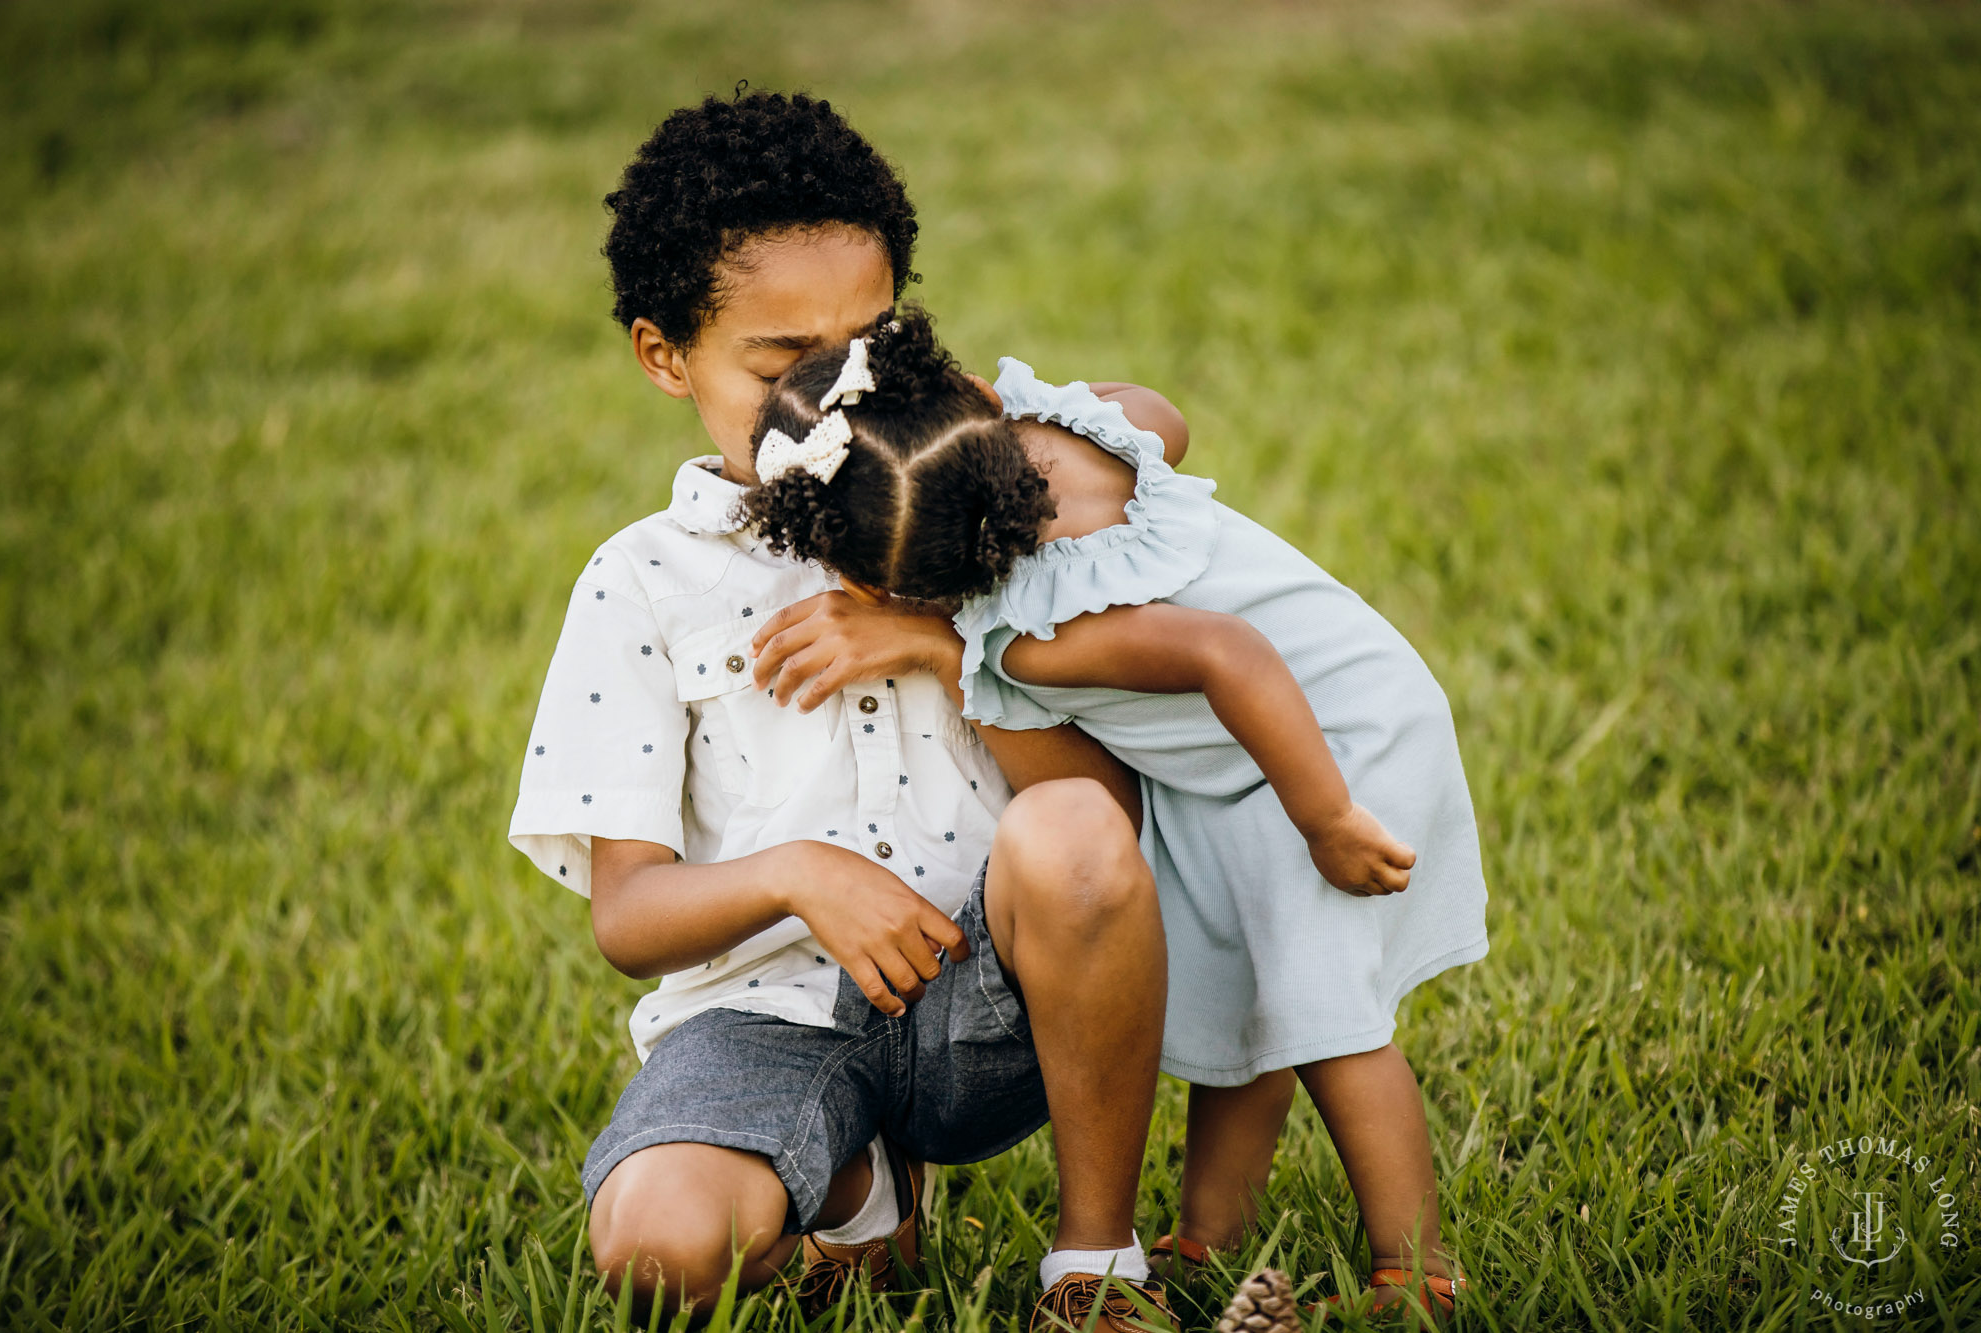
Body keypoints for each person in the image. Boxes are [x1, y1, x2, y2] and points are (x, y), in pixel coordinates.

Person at [508, 90, 1185, 1333]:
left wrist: (945, 647)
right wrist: (797, 874)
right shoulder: (640, 581)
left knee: (1075, 833)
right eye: (775, 362)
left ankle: (1095, 1267)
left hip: (992, 1002)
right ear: (664, 356)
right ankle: (858, 1191)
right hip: (760, 1014)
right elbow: (628, 913)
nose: (829, 395)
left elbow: (1107, 818)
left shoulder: (970, 492)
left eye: (869, 341)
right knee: (656, 1247)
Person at [741, 308, 1491, 1323]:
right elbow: (1164, 419)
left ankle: (1419, 1273)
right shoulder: (1072, 430)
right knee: (1244, 972)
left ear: (883, 582)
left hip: (1330, 752)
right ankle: (1209, 1236)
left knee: (1326, 1012)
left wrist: (1324, 822)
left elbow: (1228, 655)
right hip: (1261, 747)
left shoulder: (1032, 637)